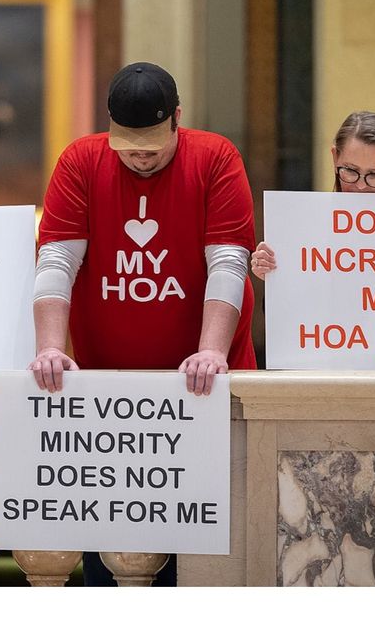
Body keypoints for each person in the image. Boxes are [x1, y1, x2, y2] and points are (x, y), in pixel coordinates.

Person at [29, 62, 257, 586]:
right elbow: (57, 261)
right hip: (111, 408)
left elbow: (228, 262)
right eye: (128, 143)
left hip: (202, 395)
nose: (141, 154)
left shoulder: (216, 158)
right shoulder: (80, 163)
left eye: (153, 142)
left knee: (203, 569)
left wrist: (211, 352)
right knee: (111, 565)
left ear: (178, 118)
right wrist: (48, 347)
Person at [250, 111, 375, 280]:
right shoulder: (306, 229)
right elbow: (292, 318)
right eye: (350, 170)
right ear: (335, 157)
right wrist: (275, 276)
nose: (360, 186)